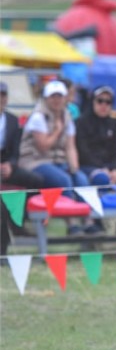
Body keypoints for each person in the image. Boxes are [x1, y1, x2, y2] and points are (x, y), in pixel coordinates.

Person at [17, 80, 97, 235]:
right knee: (63, 180)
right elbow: (43, 146)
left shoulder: (67, 116)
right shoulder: (38, 117)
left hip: (57, 161)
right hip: (34, 161)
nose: (57, 100)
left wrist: (74, 166)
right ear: (46, 98)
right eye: (53, 97)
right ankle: (71, 223)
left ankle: (89, 221)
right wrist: (57, 130)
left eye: (59, 96)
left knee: (80, 178)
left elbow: (70, 146)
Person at [75, 85, 116, 234]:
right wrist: (104, 169)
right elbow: (83, 152)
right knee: (101, 178)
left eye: (108, 102)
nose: (104, 105)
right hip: (88, 165)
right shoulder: (80, 123)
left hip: (111, 166)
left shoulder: (115, 124)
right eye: (100, 101)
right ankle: (98, 220)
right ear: (92, 101)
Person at [1, 81, 44, 255]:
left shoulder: (13, 120)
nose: (0, 99)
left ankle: (19, 220)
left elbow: (16, 150)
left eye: (3, 95)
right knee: (2, 204)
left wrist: (10, 165)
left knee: (37, 181)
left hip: (6, 166)